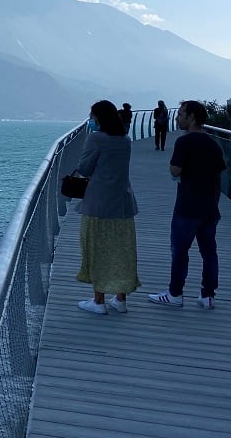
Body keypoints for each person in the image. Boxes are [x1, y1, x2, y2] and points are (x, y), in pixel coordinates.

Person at [148, 100, 227, 309]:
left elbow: (175, 171)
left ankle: (175, 294)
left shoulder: (184, 142)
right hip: (210, 208)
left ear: (191, 117)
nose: (177, 118)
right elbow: (219, 171)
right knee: (209, 252)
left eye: (181, 114)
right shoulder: (213, 143)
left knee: (180, 252)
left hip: (187, 207)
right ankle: (208, 295)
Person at [74, 99, 141, 315]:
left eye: (92, 117)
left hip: (98, 204)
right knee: (122, 250)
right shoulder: (125, 140)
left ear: (99, 118)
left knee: (96, 249)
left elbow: (84, 168)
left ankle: (98, 300)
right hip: (122, 204)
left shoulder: (95, 139)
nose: (91, 120)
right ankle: (120, 299)